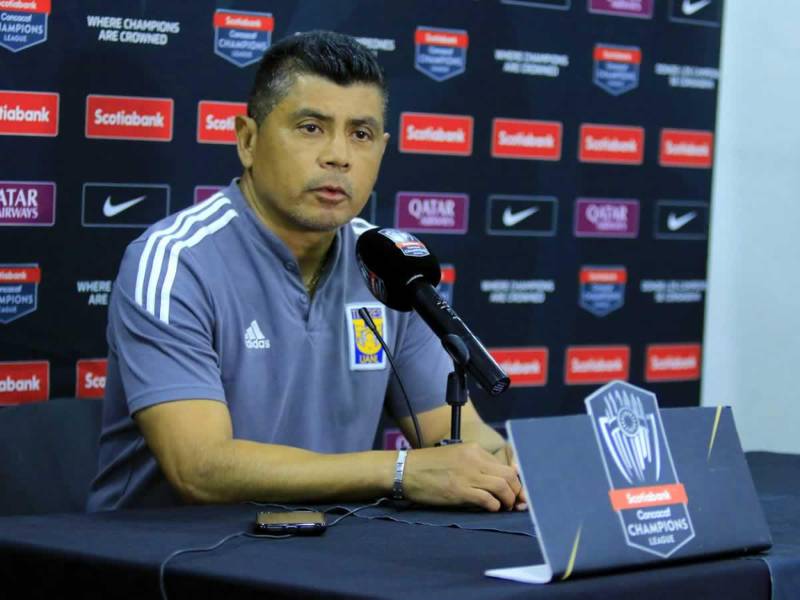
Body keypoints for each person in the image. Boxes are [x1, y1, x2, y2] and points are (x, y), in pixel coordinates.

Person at [87, 31, 524, 513]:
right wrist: (398, 472)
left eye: (360, 134)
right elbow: (200, 467)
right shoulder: (174, 261)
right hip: (164, 561)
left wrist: (506, 467)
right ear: (247, 140)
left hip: (327, 551)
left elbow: (448, 431)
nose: (338, 155)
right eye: (311, 127)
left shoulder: (389, 265)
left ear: (381, 150)